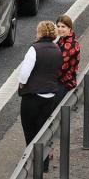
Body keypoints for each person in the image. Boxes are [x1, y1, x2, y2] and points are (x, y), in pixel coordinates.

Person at [18, 21, 64, 164]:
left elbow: (24, 73)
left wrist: (21, 85)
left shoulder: (34, 49)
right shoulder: (57, 49)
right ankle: (44, 163)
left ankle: (33, 161)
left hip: (32, 96)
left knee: (30, 129)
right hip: (50, 95)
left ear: (40, 32)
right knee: (43, 130)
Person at [55, 15, 81, 96]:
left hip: (65, 83)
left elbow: (62, 66)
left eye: (63, 26)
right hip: (59, 80)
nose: (60, 29)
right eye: (58, 26)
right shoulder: (62, 39)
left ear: (69, 28)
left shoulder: (71, 44)